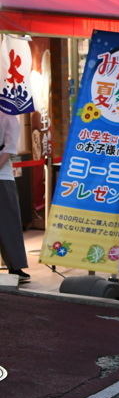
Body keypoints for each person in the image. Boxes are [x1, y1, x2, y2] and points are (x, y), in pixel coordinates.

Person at [1, 112, 30, 283]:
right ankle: (15, 267)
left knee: (8, 223)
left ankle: (15, 266)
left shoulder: (8, 116)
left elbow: (9, 150)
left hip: (2, 176)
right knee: (8, 222)